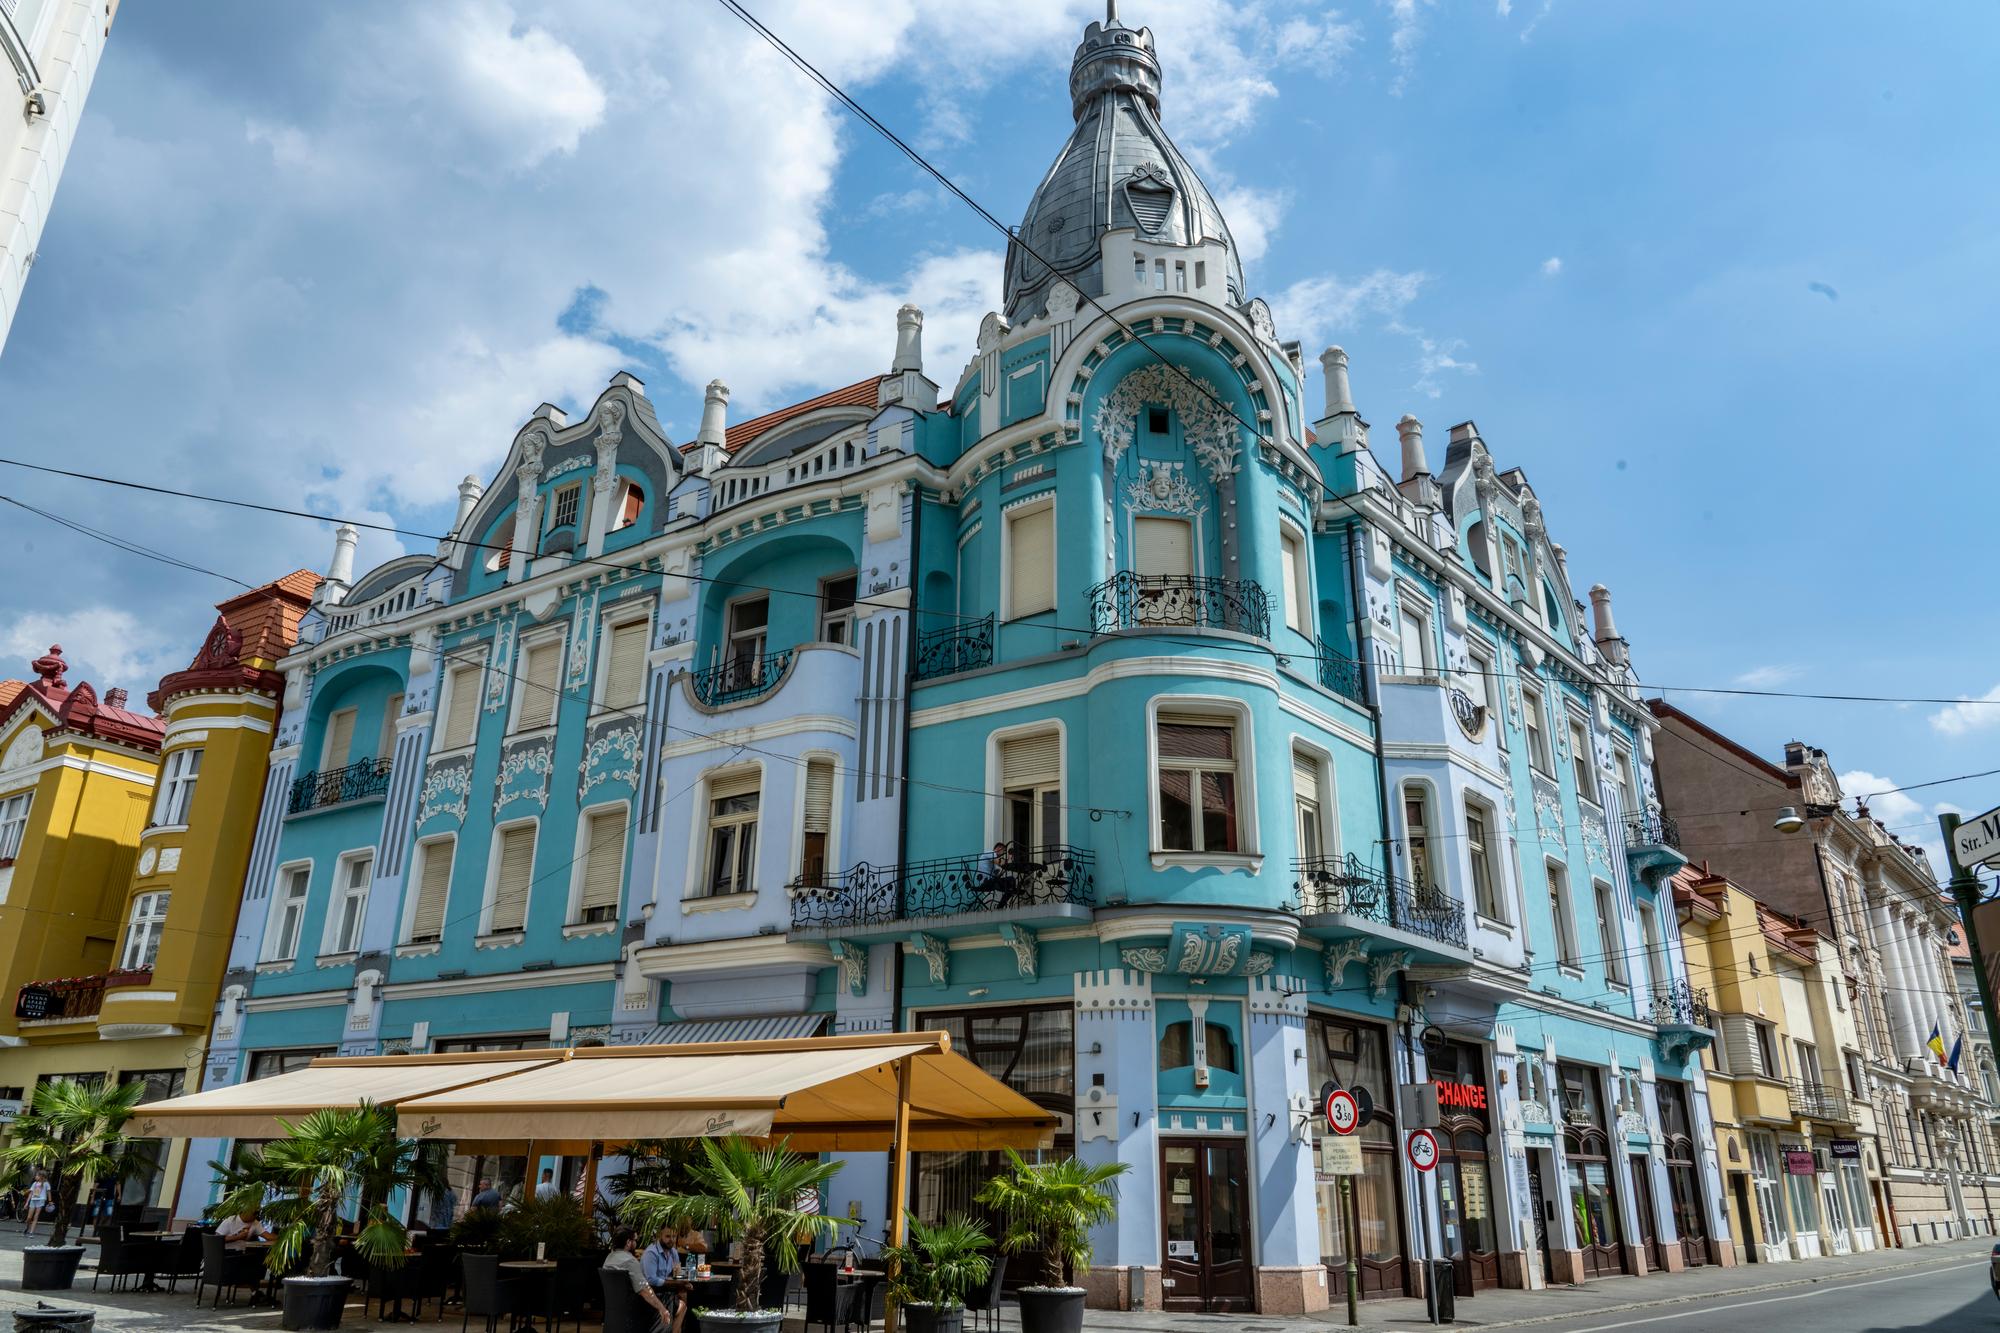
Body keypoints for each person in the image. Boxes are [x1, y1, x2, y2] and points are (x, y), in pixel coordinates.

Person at [604, 1227, 681, 1333]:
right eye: (635, 1240)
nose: (636, 1243)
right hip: (634, 1313)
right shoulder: (630, 1261)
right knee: (668, 1301)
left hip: (614, 1312)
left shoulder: (608, 1259)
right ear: (628, 1242)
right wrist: (662, 1309)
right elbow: (645, 1290)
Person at [641, 1224, 681, 1293]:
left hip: (665, 1289)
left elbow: (677, 1273)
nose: (671, 1240)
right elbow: (651, 1280)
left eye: (674, 1236)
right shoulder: (651, 1253)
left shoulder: (673, 1251)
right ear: (660, 1235)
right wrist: (676, 1283)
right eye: (668, 1236)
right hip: (651, 1292)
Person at [23, 1170, 49, 1237]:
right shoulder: (34, 1183)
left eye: (37, 1175)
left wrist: (50, 1201)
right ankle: (27, 1227)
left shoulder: (46, 1184)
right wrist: (26, 1203)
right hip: (33, 1200)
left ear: (41, 1176)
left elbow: (49, 1192)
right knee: (29, 1217)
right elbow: (31, 1193)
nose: (35, 1176)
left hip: (41, 1200)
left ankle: (31, 1232)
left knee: (36, 1216)